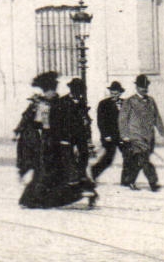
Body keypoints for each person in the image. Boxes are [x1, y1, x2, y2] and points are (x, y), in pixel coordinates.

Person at [18, 72, 94, 210]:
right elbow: (35, 123)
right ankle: (32, 199)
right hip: (47, 142)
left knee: (57, 171)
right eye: (49, 91)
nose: (51, 93)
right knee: (45, 171)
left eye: (52, 90)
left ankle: (49, 199)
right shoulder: (41, 104)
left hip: (56, 141)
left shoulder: (59, 102)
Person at [119, 74, 164, 191]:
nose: (144, 89)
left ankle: (130, 180)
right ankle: (153, 182)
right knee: (144, 159)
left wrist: (162, 131)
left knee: (140, 161)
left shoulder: (151, 101)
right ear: (137, 87)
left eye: (146, 86)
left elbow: (156, 117)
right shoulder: (130, 101)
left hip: (149, 136)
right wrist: (124, 135)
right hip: (135, 136)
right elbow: (122, 119)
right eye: (141, 86)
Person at [91, 80, 125, 180]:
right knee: (108, 158)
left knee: (129, 156)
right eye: (112, 93)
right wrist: (106, 135)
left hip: (122, 136)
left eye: (116, 93)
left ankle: (127, 179)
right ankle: (94, 172)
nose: (114, 95)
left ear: (120, 93)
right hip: (109, 136)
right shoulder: (103, 104)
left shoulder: (125, 103)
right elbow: (100, 121)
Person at [13, 87, 44, 183]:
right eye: (35, 100)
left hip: (31, 134)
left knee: (32, 155)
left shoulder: (38, 110)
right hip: (28, 134)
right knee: (28, 155)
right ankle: (23, 175)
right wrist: (17, 131)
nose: (36, 102)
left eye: (37, 100)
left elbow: (40, 124)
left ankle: (26, 175)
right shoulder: (32, 109)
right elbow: (24, 121)